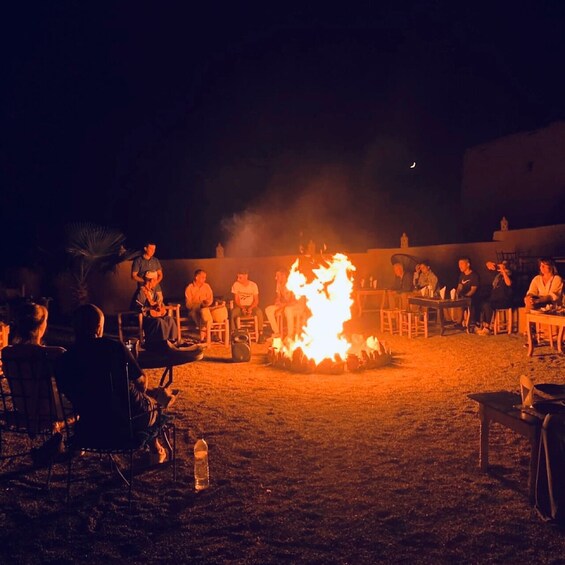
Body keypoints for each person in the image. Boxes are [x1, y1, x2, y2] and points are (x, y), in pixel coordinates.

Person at [57, 304, 167, 463]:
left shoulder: (64, 360)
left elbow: (69, 394)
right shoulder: (114, 348)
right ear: (98, 327)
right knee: (154, 405)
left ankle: (78, 448)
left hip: (90, 426)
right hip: (124, 426)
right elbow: (141, 381)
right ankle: (156, 450)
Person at [132, 272, 178, 350]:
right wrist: (149, 308)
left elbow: (159, 303)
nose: (156, 282)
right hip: (144, 317)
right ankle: (160, 343)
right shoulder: (141, 292)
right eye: (155, 280)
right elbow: (138, 307)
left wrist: (160, 306)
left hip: (154, 316)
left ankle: (172, 340)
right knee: (159, 321)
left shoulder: (153, 291)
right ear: (150, 281)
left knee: (169, 319)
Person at [265, 268, 306, 339]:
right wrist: (277, 301)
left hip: (297, 306)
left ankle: (290, 335)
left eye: (277, 276)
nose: (275, 278)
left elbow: (294, 300)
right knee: (268, 309)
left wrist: (283, 305)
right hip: (285, 305)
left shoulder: (291, 283)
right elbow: (278, 296)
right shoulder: (278, 284)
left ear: (283, 276)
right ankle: (276, 332)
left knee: (288, 310)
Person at [476, 260, 513, 335]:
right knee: (481, 302)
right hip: (494, 299)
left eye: (504, 266)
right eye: (502, 265)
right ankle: (479, 325)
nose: (502, 267)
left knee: (488, 305)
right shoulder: (498, 276)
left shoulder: (510, 275)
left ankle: (487, 328)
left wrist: (503, 272)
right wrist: (488, 264)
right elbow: (489, 268)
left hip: (504, 300)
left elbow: (508, 283)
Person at [230, 268, 265, 343]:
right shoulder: (236, 284)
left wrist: (251, 308)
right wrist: (242, 308)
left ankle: (260, 334)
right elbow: (236, 300)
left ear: (246, 276)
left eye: (240, 277)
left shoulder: (253, 285)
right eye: (237, 277)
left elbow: (256, 300)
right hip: (240, 306)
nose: (238, 279)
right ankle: (234, 334)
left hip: (251, 306)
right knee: (233, 312)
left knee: (259, 312)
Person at [184, 269, 214, 342]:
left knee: (205, 312)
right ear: (196, 277)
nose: (205, 279)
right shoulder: (189, 288)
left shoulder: (207, 286)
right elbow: (188, 304)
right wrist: (198, 304)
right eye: (203, 277)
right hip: (194, 310)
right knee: (198, 313)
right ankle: (209, 333)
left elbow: (210, 299)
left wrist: (206, 303)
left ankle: (203, 337)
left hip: (205, 310)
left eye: (205, 277)